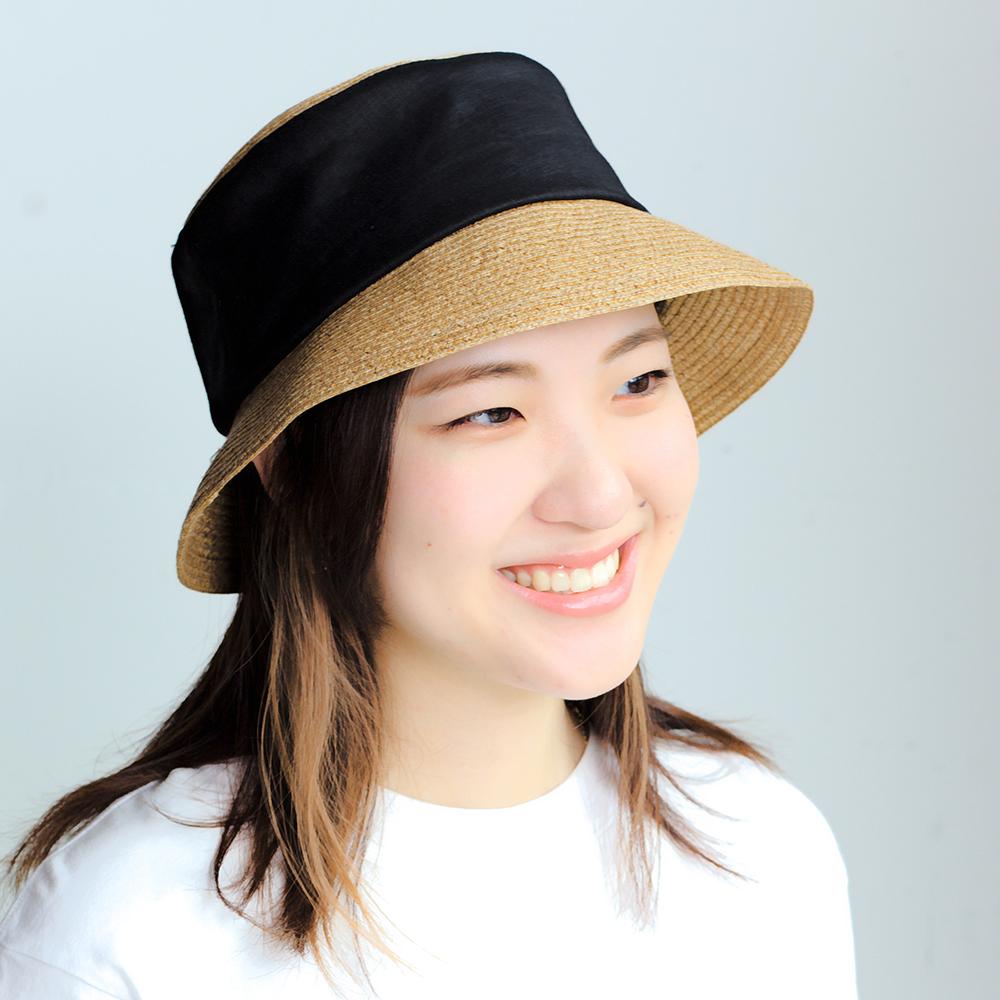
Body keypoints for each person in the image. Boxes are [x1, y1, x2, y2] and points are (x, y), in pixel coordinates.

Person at [0, 51, 858, 998]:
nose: (601, 495)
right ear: (294, 469)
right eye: (491, 412)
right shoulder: (132, 929)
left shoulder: (760, 849)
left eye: (639, 380)